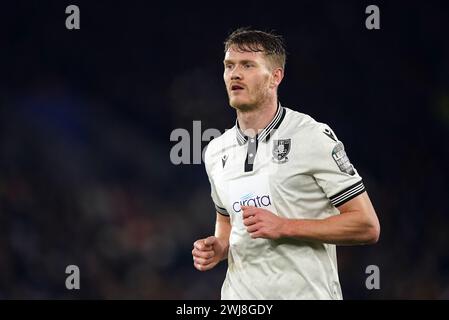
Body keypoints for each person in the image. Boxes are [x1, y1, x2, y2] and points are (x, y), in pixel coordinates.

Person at [192, 28, 380, 299]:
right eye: (229, 66)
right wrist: (220, 247)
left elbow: (367, 225)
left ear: (275, 77)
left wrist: (285, 226)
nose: (235, 74)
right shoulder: (215, 151)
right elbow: (227, 222)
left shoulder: (311, 135)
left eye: (248, 65)